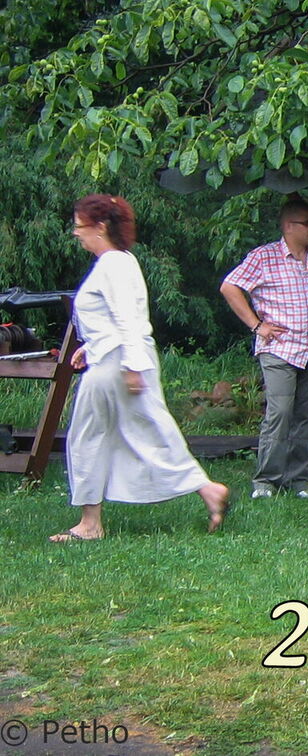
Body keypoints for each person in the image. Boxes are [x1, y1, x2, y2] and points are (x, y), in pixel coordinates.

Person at [51, 195, 230, 541]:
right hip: (114, 359)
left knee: (92, 437)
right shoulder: (119, 262)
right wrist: (90, 347)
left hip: (119, 364)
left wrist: (131, 366)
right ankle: (207, 490)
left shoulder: (114, 264)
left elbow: (129, 319)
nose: (76, 233)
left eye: (79, 226)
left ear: (100, 226)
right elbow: (115, 319)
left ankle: (90, 525)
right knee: (146, 431)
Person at [220, 199, 308, 500]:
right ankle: (266, 481)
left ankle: (298, 481)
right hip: (279, 348)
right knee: (279, 412)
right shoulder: (263, 257)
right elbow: (229, 287)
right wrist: (257, 325)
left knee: (305, 415)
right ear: (289, 226)